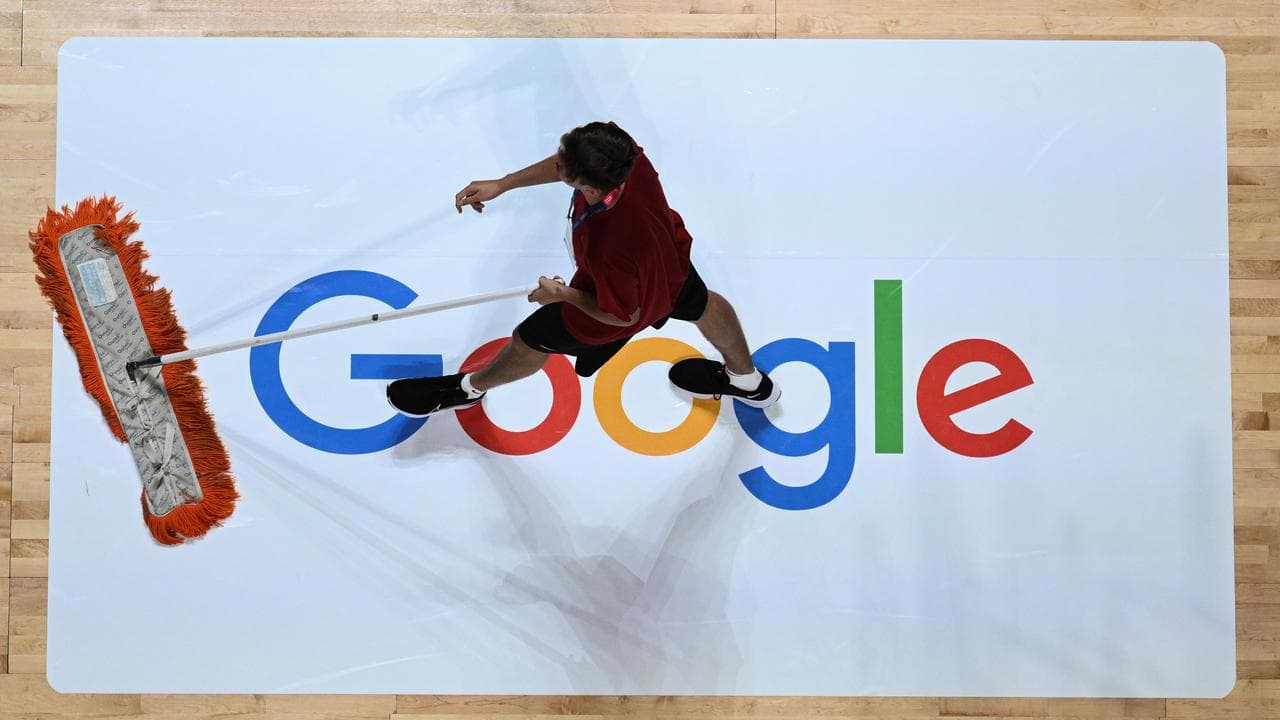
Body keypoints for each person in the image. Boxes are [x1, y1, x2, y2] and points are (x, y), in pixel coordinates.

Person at [387, 121, 780, 416]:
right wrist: (503, 184)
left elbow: (621, 311)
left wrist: (562, 295)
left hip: (614, 302)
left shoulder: (614, 242)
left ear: (587, 187)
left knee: (530, 337)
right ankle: (749, 382)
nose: (557, 167)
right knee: (703, 303)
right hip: (669, 263)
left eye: (564, 170)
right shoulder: (622, 155)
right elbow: (567, 164)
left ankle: (468, 390)